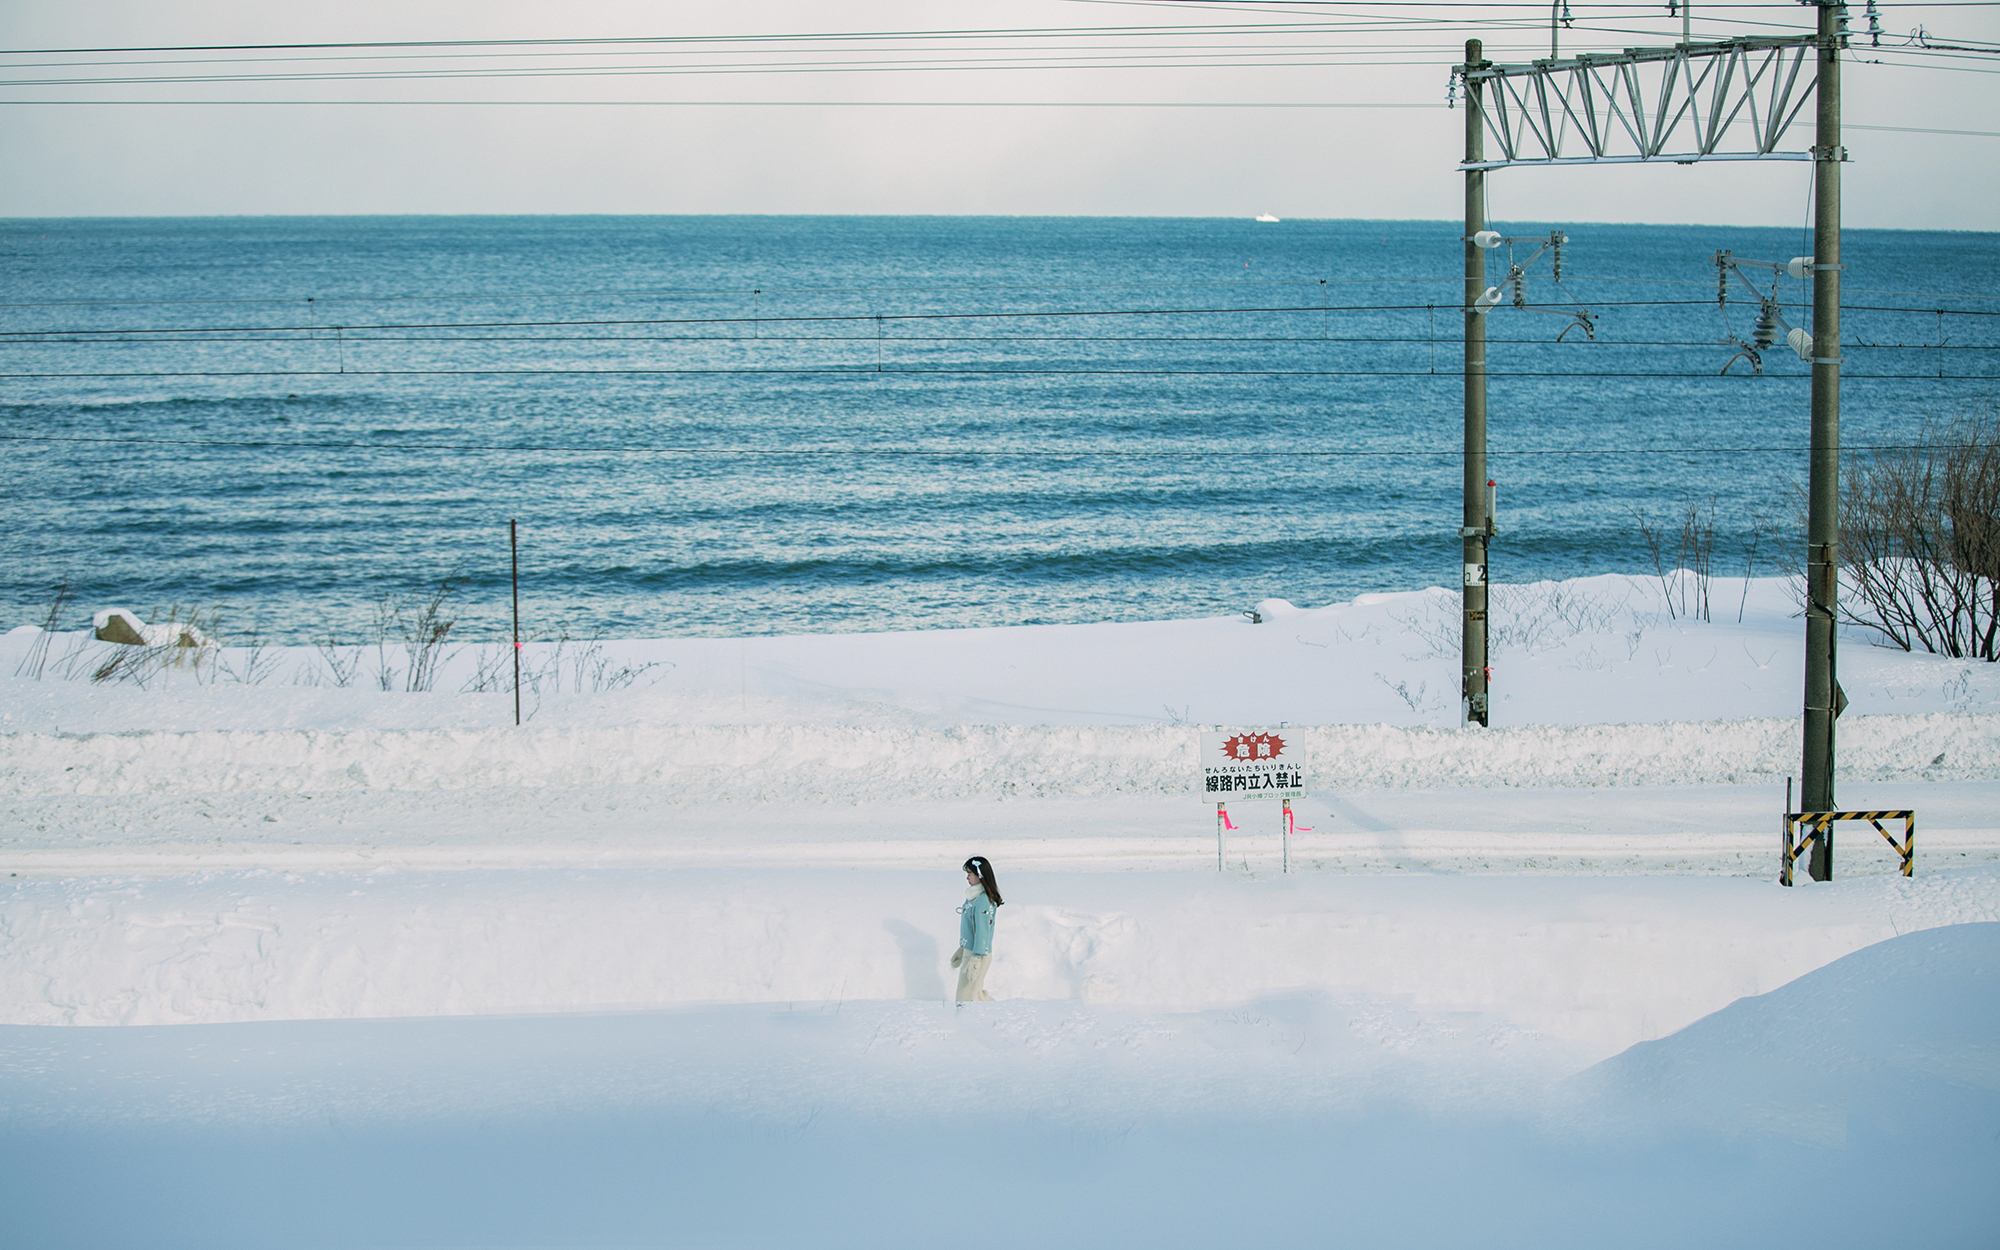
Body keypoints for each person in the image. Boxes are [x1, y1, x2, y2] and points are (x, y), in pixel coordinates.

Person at [951, 856, 1002, 1002]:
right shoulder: (973, 897)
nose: (967, 878)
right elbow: (970, 928)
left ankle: (967, 1021)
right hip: (971, 951)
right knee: (972, 994)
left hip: (978, 954)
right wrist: (963, 947)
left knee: (966, 996)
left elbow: (982, 931)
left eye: (970, 874)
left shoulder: (982, 900)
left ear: (980, 876)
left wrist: (976, 957)